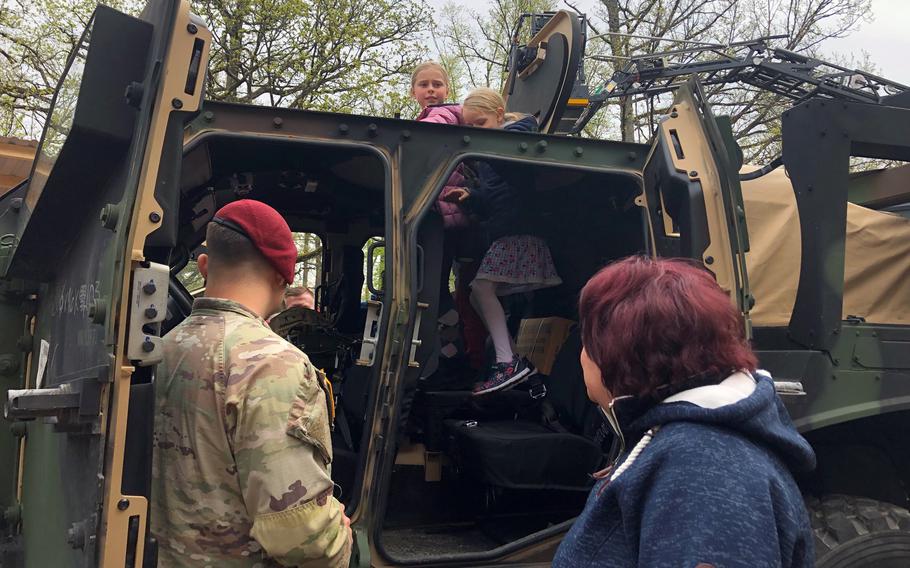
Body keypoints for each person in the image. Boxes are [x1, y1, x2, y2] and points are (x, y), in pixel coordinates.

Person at [553, 256, 816, 568]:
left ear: (621, 355)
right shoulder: (679, 442)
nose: (581, 354)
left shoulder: (704, 473)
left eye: (587, 340)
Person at [151, 199, 351, 567]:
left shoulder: (162, 348)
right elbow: (301, 537)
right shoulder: (275, 364)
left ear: (204, 265)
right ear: (281, 278)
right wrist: (340, 539)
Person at [444, 87, 562, 395]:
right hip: (502, 230)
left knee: (481, 289)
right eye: (468, 127)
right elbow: (494, 199)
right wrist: (471, 198)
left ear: (499, 115)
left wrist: (491, 151)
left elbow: (519, 176)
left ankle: (507, 363)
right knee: (473, 296)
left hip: (519, 231)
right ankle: (514, 360)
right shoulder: (488, 155)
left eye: (479, 124)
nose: (473, 132)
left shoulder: (517, 141)